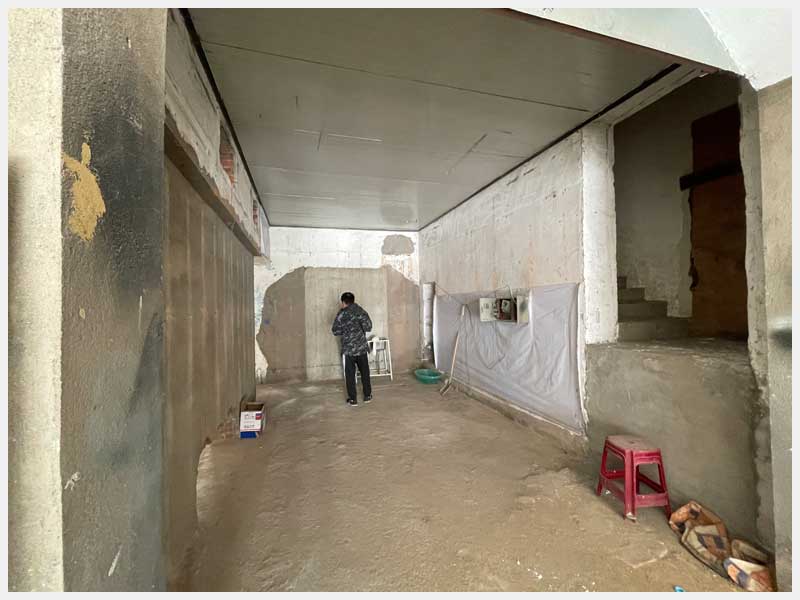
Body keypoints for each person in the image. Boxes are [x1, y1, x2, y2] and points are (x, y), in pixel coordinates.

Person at [331, 292, 373, 407]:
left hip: (348, 350)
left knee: (350, 375)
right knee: (365, 372)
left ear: (343, 302)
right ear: (353, 301)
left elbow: (335, 331)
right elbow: (369, 327)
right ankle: (367, 395)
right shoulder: (361, 311)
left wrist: (346, 331)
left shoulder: (341, 314)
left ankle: (353, 399)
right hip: (361, 348)